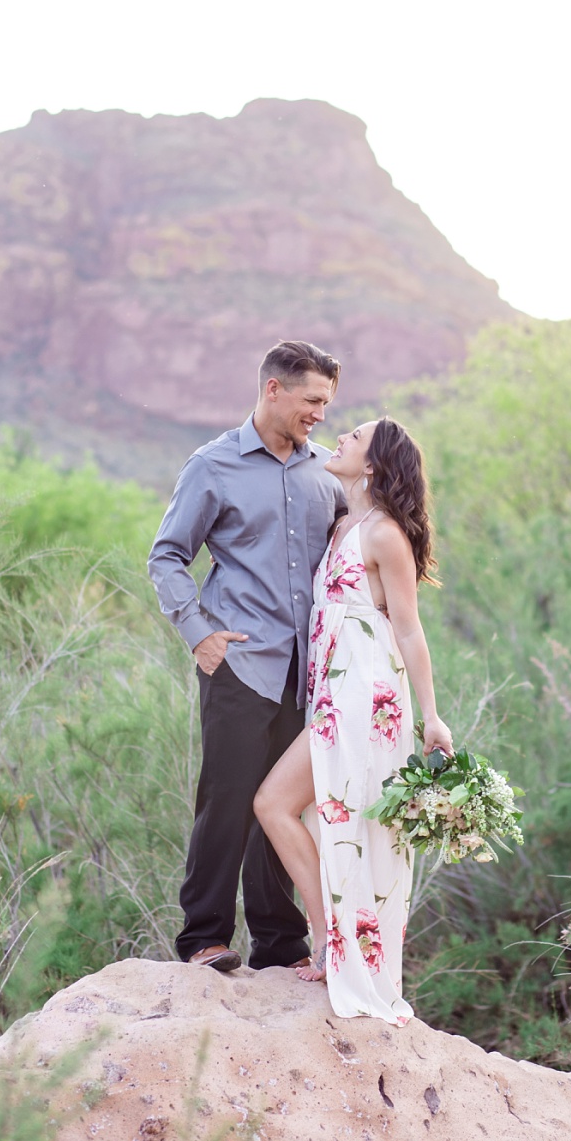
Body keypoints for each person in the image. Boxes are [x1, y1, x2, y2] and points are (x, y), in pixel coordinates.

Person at [148, 339, 346, 975]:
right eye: (312, 400)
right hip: (240, 661)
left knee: (281, 805)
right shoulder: (213, 465)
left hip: (305, 672)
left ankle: (280, 945)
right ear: (273, 390)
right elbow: (167, 556)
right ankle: (203, 938)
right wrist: (199, 633)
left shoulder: (326, 474)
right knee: (229, 798)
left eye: (327, 403)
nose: (320, 413)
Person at [252, 417, 454, 1025]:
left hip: (364, 695)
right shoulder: (346, 524)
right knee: (307, 811)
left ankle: (329, 942)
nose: (340, 437)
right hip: (334, 692)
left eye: (355, 436)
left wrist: (432, 717)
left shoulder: (386, 535)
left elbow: (409, 627)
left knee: (274, 803)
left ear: (372, 465)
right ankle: (333, 942)